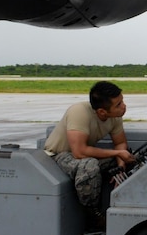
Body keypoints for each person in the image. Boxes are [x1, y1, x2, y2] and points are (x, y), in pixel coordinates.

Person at [44, 80, 133, 220]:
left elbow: (120, 143)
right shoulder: (79, 112)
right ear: (102, 111)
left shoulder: (115, 116)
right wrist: (118, 153)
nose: (124, 107)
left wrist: (120, 168)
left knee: (131, 159)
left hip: (80, 155)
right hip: (57, 156)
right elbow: (79, 152)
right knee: (89, 166)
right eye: (118, 105)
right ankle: (92, 215)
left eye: (122, 101)